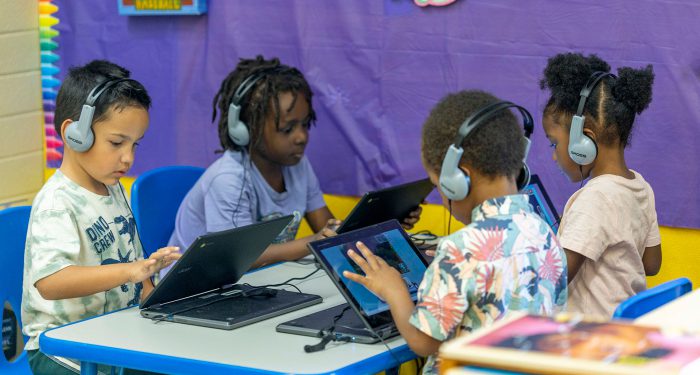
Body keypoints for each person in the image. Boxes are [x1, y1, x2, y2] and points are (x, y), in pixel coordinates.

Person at [342, 90, 567, 374]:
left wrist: (393, 289)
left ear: (456, 181)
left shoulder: (460, 248)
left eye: (439, 186)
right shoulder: (544, 230)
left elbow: (423, 342)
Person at [169, 55, 421, 268]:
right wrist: (313, 242)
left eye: (304, 124)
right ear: (245, 128)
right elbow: (238, 258)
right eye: (287, 129)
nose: (301, 137)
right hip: (189, 293)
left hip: (254, 285)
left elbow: (327, 227)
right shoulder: (228, 179)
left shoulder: (297, 165)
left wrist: (384, 222)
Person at [21, 60, 180, 374]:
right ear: (75, 134)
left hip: (113, 336)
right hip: (61, 350)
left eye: (134, 145)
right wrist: (130, 271)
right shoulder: (58, 202)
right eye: (117, 143)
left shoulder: (112, 187)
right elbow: (51, 282)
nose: (128, 157)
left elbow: (131, 264)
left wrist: (151, 280)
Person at [540, 52, 661, 317]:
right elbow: (651, 264)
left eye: (554, 143)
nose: (553, 154)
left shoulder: (594, 198)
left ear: (584, 140)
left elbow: (553, 282)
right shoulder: (640, 187)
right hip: (625, 332)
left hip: (592, 342)